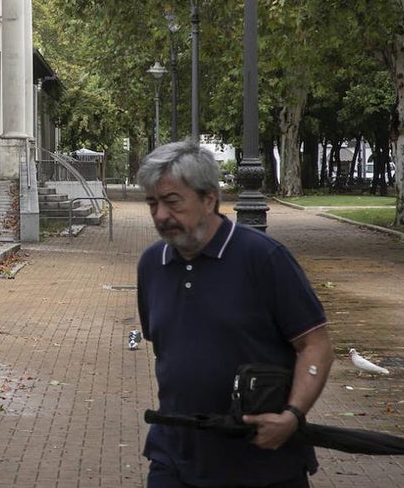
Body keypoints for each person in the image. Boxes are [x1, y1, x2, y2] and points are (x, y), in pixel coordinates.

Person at [136, 141, 334, 488]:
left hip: (263, 461)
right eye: (152, 203)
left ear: (209, 198)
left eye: (172, 201)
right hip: (175, 456)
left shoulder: (263, 259)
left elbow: (314, 344)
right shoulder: (152, 265)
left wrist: (292, 415)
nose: (161, 215)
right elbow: (169, 350)